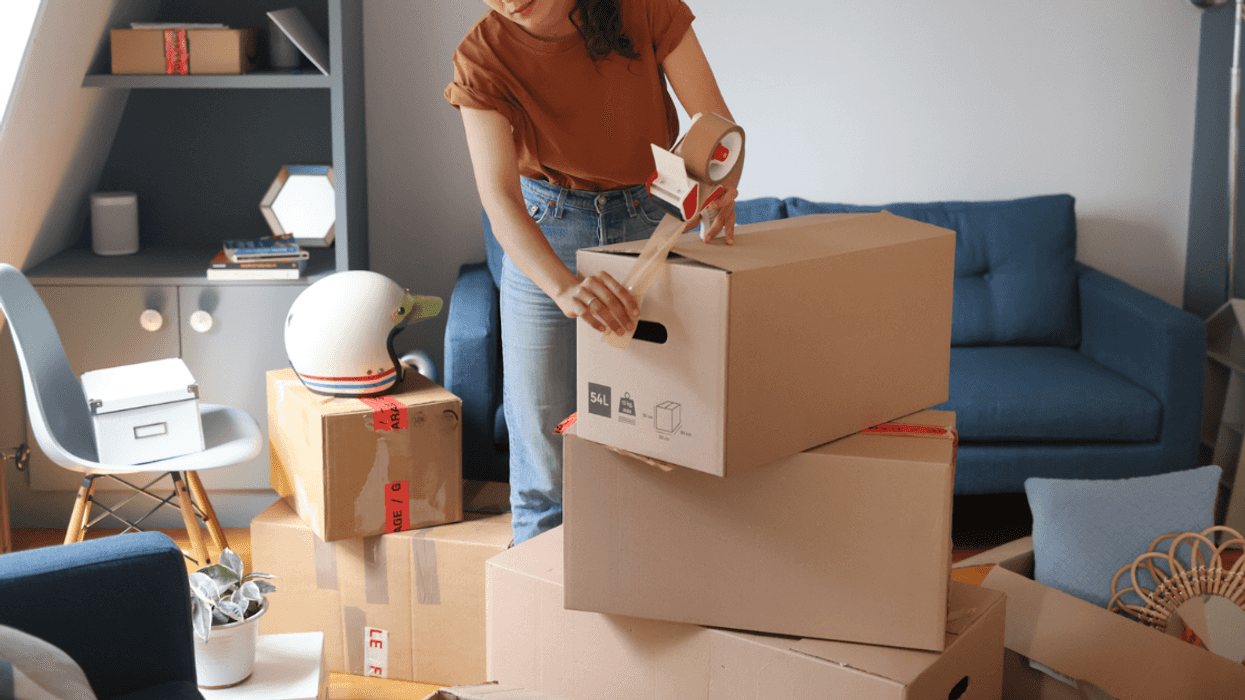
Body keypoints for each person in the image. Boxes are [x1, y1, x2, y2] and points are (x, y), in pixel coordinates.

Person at [446, 0, 738, 544]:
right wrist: (562, 286)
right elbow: (499, 196)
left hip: (650, 218)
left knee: (669, 437)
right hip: (547, 228)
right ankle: (540, 617)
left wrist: (719, 177)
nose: (509, 1)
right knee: (542, 465)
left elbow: (711, 122)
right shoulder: (481, 56)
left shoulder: (643, 8)